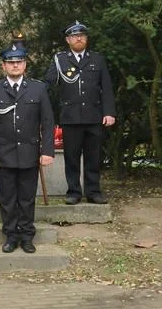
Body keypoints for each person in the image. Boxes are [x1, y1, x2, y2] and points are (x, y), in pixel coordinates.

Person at [0, 40, 55, 254]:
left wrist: (47, 151)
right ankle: (11, 235)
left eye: (19, 62)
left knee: (27, 197)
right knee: (7, 198)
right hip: (3, 155)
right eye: (10, 62)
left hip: (29, 153)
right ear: (3, 66)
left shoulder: (38, 89)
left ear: (25, 65)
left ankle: (27, 236)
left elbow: (48, 122)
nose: (15, 66)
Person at [43, 21, 116, 205]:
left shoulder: (97, 59)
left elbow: (106, 87)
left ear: (86, 38)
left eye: (82, 35)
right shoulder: (60, 60)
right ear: (68, 40)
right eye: (75, 36)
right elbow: (47, 84)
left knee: (94, 156)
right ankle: (74, 191)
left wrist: (109, 112)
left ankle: (93, 191)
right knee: (72, 156)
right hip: (71, 117)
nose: (79, 38)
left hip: (94, 116)